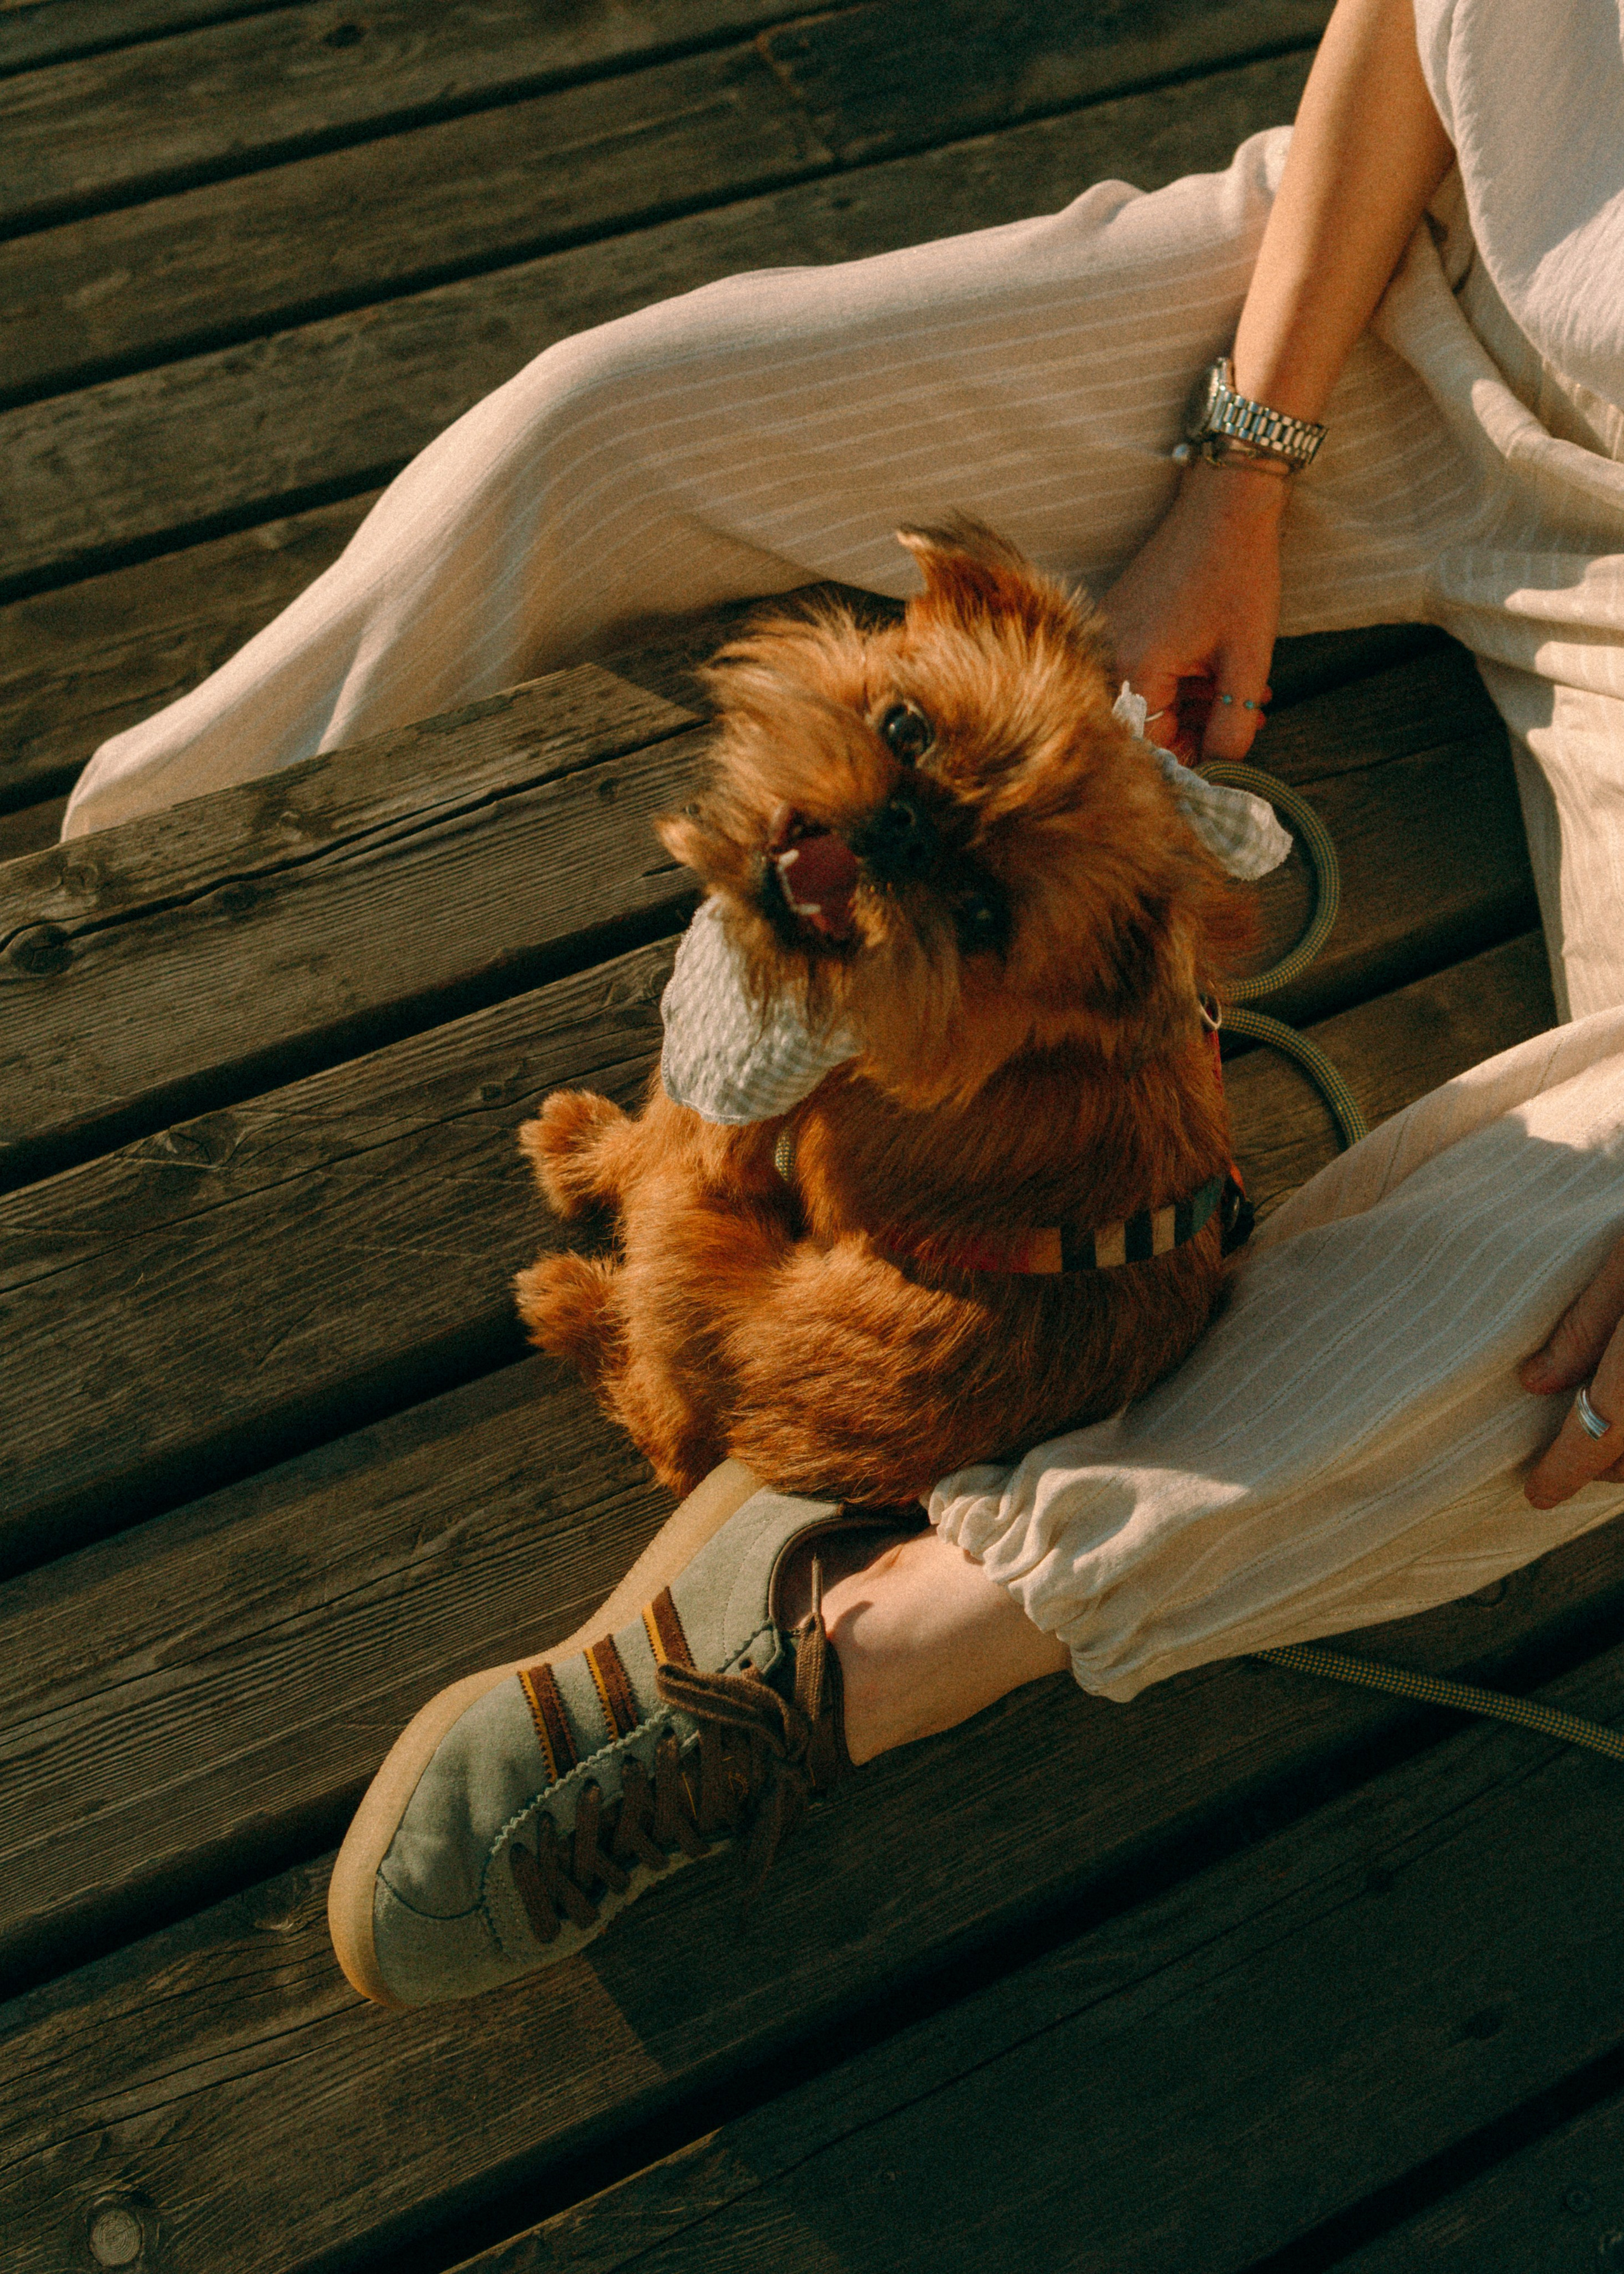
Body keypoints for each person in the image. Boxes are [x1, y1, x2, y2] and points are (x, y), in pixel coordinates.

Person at [60, 0, 1624, 1996]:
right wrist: (1246, 459)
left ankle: (857, 1641)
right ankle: (79, 938)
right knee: (598, 426)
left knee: (1592, 1308)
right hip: (1408, 294)